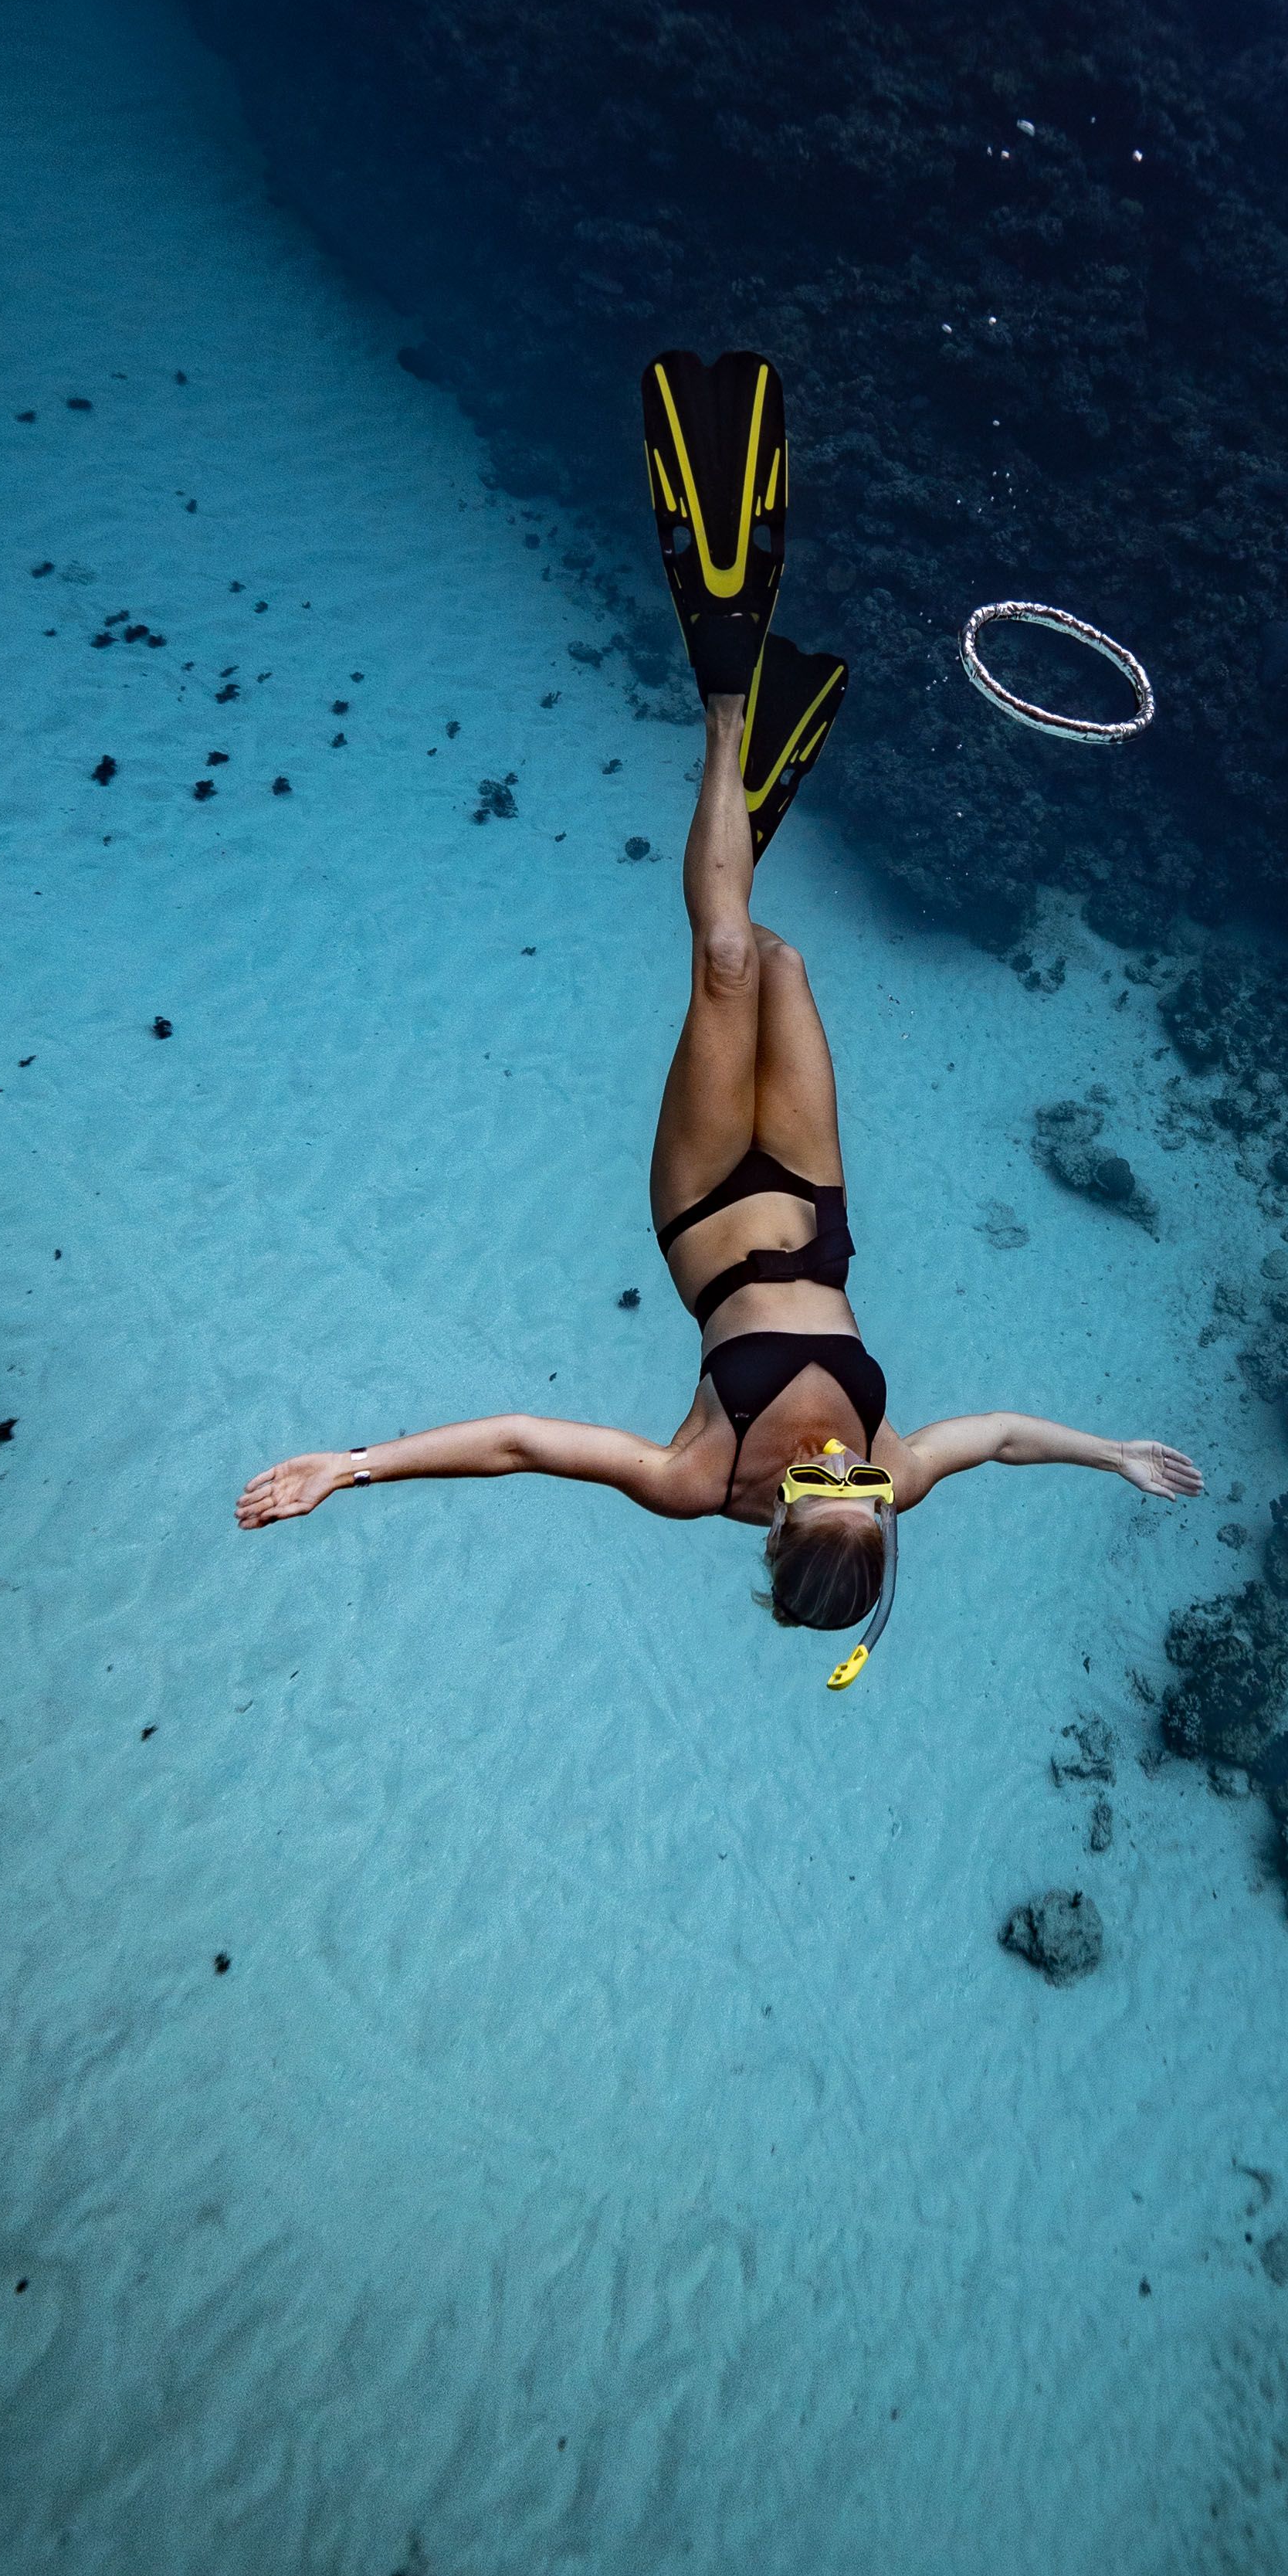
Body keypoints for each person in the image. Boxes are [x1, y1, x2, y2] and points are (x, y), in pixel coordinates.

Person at [235, 350, 1200, 1683]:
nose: (832, 1460)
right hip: (812, 1198)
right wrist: (1113, 1454)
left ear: (778, 1524)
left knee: (728, 963)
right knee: (788, 965)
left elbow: (522, 1443)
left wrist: (350, 1469)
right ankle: (743, 834)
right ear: (870, 1508)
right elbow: (1002, 1439)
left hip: (701, 1213)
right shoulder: (893, 1474)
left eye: (818, 1482)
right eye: (851, 1476)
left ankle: (726, 698)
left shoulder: (697, 1480)